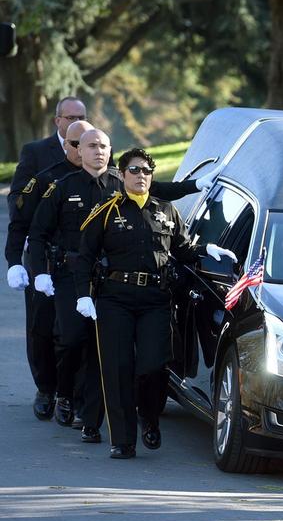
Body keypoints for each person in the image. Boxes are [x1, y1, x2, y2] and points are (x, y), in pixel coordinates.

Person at [26, 129, 209, 442]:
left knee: (114, 356)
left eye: (104, 146)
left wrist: (195, 186)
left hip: (121, 284)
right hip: (75, 276)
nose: (98, 152)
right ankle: (66, 395)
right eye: (92, 146)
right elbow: (38, 231)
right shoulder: (62, 186)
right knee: (73, 339)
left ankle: (93, 416)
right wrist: (35, 269)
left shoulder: (125, 186)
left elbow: (160, 191)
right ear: (77, 150)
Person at [72, 148, 235, 459]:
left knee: (152, 366)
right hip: (115, 298)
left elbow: (183, 248)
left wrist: (207, 249)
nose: (141, 176)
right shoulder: (106, 211)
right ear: (121, 174)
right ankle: (123, 440)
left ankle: (149, 416)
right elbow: (85, 257)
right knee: (118, 369)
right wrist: (83, 293)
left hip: (155, 300)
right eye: (134, 170)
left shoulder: (166, 211)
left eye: (146, 171)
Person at [7, 117, 92, 421]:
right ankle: (46, 389)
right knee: (42, 330)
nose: (82, 151)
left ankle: (75, 396)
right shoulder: (47, 179)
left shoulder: (102, 180)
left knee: (78, 335)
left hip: (82, 270)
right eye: (73, 144)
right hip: (46, 266)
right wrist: (14, 262)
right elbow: (20, 223)